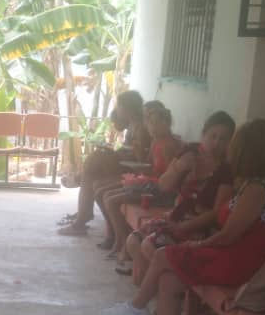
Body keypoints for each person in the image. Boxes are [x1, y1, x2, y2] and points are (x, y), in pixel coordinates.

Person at [101, 118, 265, 315]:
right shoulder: (254, 185)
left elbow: (229, 236)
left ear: (247, 151)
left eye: (235, 144)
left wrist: (199, 246)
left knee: (165, 255)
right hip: (236, 257)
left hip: (243, 265)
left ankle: (136, 309)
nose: (229, 148)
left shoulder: (257, 189)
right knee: (169, 280)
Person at [123, 111, 235, 281]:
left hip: (200, 227)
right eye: (213, 136)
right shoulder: (190, 151)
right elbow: (163, 185)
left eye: (223, 139)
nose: (217, 143)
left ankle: (156, 288)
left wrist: (186, 226)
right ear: (204, 134)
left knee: (150, 246)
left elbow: (217, 213)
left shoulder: (226, 170)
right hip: (177, 216)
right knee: (133, 241)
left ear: (229, 143)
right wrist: (179, 167)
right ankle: (152, 286)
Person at [97, 104, 183, 261]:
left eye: (156, 123)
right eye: (150, 124)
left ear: (166, 124)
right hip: (148, 183)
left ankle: (122, 243)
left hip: (160, 191)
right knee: (107, 194)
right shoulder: (156, 142)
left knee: (111, 200)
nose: (152, 128)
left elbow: (170, 178)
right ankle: (119, 239)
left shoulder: (170, 145)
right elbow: (147, 165)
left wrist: (142, 177)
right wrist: (137, 154)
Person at [58, 90, 149, 236]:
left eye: (119, 106)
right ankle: (82, 212)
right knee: (94, 162)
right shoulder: (133, 125)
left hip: (134, 173)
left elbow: (140, 159)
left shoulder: (140, 127)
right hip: (125, 165)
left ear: (126, 108)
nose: (117, 109)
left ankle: (81, 213)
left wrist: (115, 155)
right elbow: (129, 151)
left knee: (93, 163)